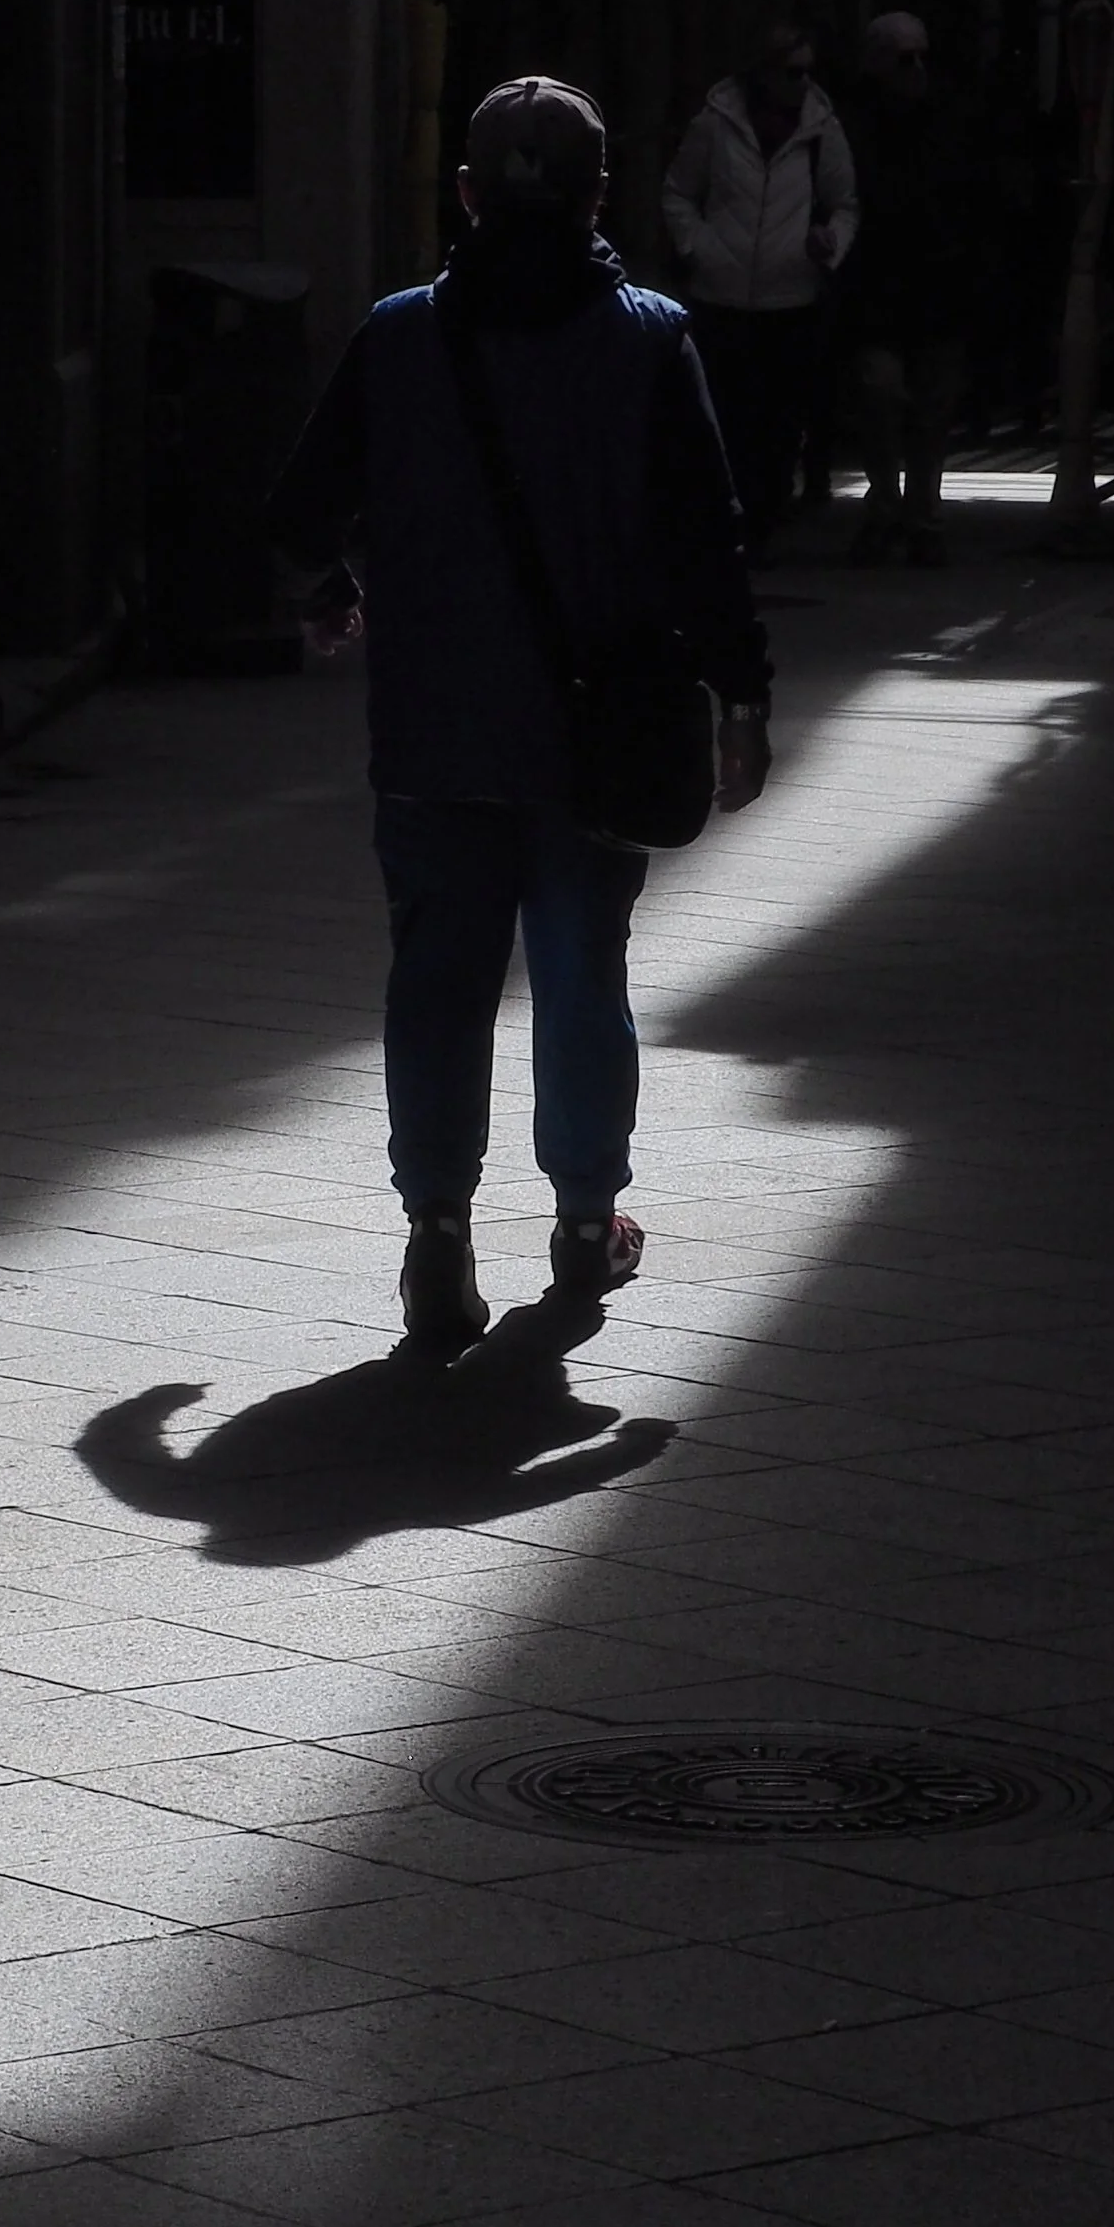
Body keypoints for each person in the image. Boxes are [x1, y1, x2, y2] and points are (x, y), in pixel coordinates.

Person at [266, 73, 771, 1354]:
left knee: (434, 984)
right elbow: (704, 541)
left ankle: (436, 1227)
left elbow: (296, 513)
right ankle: (585, 1220)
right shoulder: (650, 338)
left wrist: (328, 592)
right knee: (579, 975)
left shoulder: (397, 337)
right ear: (601, 192)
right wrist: (743, 698)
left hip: (434, 733)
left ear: (467, 194)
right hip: (592, 737)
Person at [660, 18, 858, 549]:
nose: (802, 84)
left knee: (778, 420)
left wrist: (829, 244)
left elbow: (844, 203)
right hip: (719, 295)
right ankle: (728, 520)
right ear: (765, 74)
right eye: (792, 73)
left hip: (790, 297)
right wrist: (699, 247)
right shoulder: (717, 122)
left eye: (808, 73)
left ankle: (764, 520)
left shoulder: (821, 129)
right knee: (723, 413)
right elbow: (679, 191)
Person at [835, 8, 970, 566]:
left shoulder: (945, 120)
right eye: (902, 59)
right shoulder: (853, 123)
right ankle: (892, 508)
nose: (915, 70)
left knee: (929, 408)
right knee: (884, 398)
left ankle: (917, 514)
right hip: (881, 286)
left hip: (934, 285)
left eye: (920, 57)